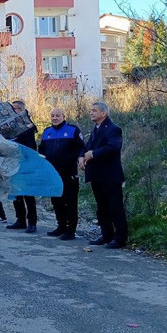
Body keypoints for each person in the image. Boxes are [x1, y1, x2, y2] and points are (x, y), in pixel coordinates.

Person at [79, 101, 127, 249]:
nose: (91, 113)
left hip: (110, 176)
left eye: (94, 110)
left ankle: (120, 238)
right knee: (101, 207)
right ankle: (106, 234)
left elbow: (113, 147)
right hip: (97, 175)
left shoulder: (113, 129)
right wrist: (81, 157)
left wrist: (93, 154)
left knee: (115, 207)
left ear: (104, 113)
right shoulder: (96, 128)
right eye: (91, 110)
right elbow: (88, 146)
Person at [38, 108, 85, 240]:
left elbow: (81, 147)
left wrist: (80, 159)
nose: (55, 118)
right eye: (52, 115)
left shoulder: (72, 130)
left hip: (69, 173)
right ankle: (61, 226)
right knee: (56, 201)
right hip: (52, 174)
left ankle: (71, 230)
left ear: (64, 116)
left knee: (70, 202)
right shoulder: (47, 132)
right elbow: (41, 150)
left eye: (58, 115)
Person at [6, 100, 39, 233]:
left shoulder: (28, 125)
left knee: (28, 194)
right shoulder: (10, 125)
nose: (14, 111)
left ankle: (32, 222)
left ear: (22, 110)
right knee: (16, 192)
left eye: (16, 109)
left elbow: (30, 146)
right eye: (12, 109)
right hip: (13, 163)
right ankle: (20, 220)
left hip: (26, 162)